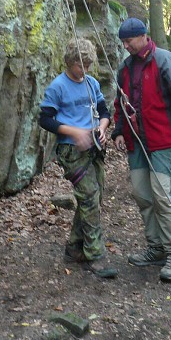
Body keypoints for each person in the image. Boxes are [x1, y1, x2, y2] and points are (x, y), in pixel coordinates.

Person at [111, 17, 171, 282]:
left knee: (162, 196)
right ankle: (156, 248)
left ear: (143, 36)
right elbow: (121, 103)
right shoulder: (125, 68)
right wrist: (119, 131)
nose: (125, 46)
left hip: (161, 141)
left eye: (129, 41)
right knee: (142, 195)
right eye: (123, 42)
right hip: (136, 142)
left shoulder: (164, 60)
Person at [39, 38, 118, 279]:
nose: (85, 69)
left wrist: (102, 128)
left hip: (94, 146)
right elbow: (45, 119)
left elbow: (104, 112)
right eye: (80, 65)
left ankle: (74, 248)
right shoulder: (58, 86)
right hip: (71, 151)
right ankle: (94, 255)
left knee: (94, 196)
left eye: (88, 64)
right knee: (89, 196)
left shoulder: (92, 83)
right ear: (69, 62)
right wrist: (75, 133)